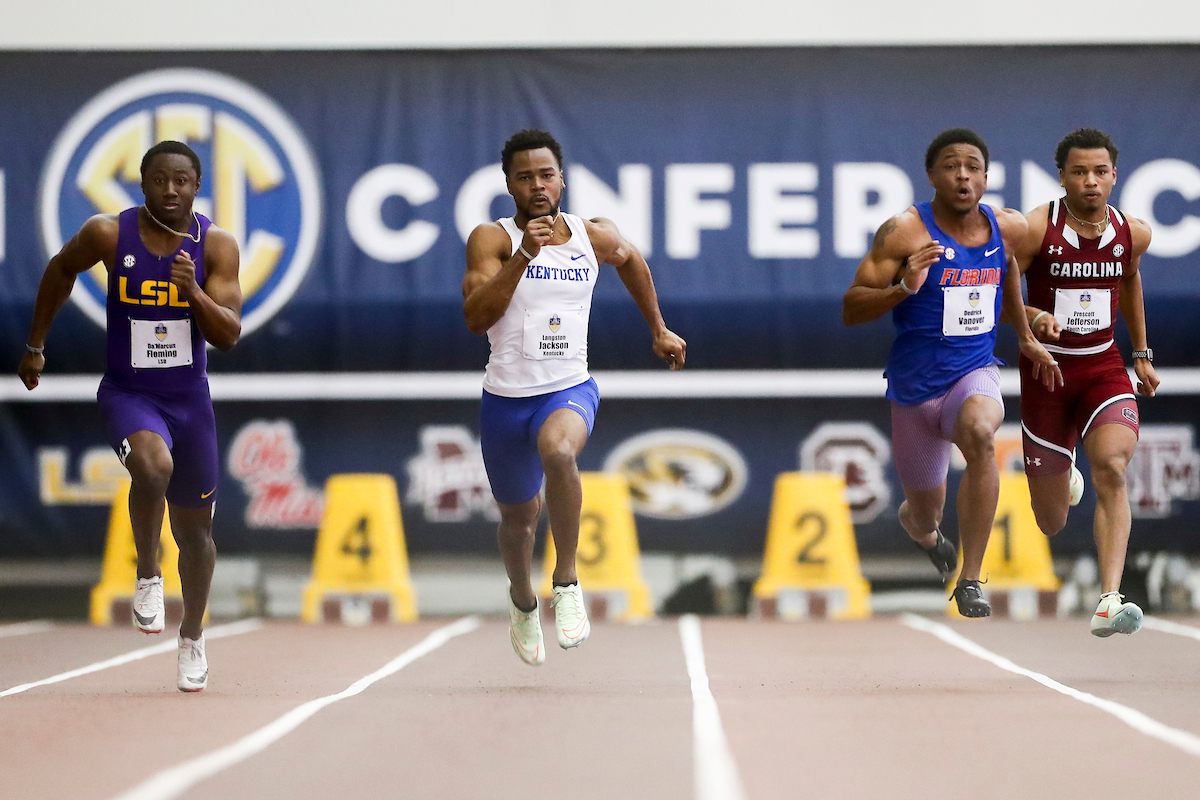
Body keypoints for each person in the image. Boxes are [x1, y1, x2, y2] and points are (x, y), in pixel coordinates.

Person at [19, 141, 241, 690]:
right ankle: (146, 571)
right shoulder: (108, 233)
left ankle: (192, 636)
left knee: (198, 534)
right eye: (160, 180)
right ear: (142, 185)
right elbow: (60, 270)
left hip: (189, 402)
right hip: (128, 392)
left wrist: (192, 293)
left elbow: (229, 334)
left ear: (197, 185)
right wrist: (35, 344)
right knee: (151, 465)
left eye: (182, 181)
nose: (171, 190)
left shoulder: (215, 245)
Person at [463, 129, 685, 665]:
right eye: (524, 177)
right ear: (509, 185)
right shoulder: (490, 240)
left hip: (567, 387)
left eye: (546, 175)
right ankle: (522, 599)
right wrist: (525, 255)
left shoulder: (592, 234)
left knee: (560, 452)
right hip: (505, 398)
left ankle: (566, 580)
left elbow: (630, 259)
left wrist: (657, 327)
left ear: (562, 179)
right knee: (518, 522)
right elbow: (476, 318)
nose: (537, 186)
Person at [843, 128, 1060, 617]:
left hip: (974, 371)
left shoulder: (1008, 228)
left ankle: (970, 579)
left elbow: (1005, 278)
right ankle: (923, 531)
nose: (963, 175)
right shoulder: (903, 231)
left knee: (982, 433)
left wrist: (1028, 326)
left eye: (973, 166)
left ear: (985, 177)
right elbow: (851, 308)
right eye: (951, 165)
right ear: (932, 176)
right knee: (924, 513)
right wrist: (902, 287)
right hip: (915, 387)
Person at [1013, 128, 1156, 637]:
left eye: (1100, 172)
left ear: (1115, 175)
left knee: (1114, 466)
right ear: (1062, 177)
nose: (1090, 182)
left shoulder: (1132, 233)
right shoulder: (1035, 229)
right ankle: (1063, 476)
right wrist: (1032, 315)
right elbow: (998, 293)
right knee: (1050, 520)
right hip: (1046, 374)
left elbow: (1131, 278)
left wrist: (1140, 354)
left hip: (1102, 369)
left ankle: (1109, 599)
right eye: (1079, 172)